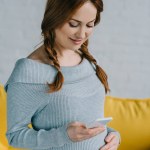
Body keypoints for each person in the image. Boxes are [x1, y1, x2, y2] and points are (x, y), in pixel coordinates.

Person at [5, 0, 120, 150]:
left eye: (90, 25)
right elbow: (15, 136)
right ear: (54, 18)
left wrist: (112, 135)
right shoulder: (29, 73)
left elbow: (88, 117)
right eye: (73, 24)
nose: (82, 34)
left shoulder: (85, 59)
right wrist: (63, 135)